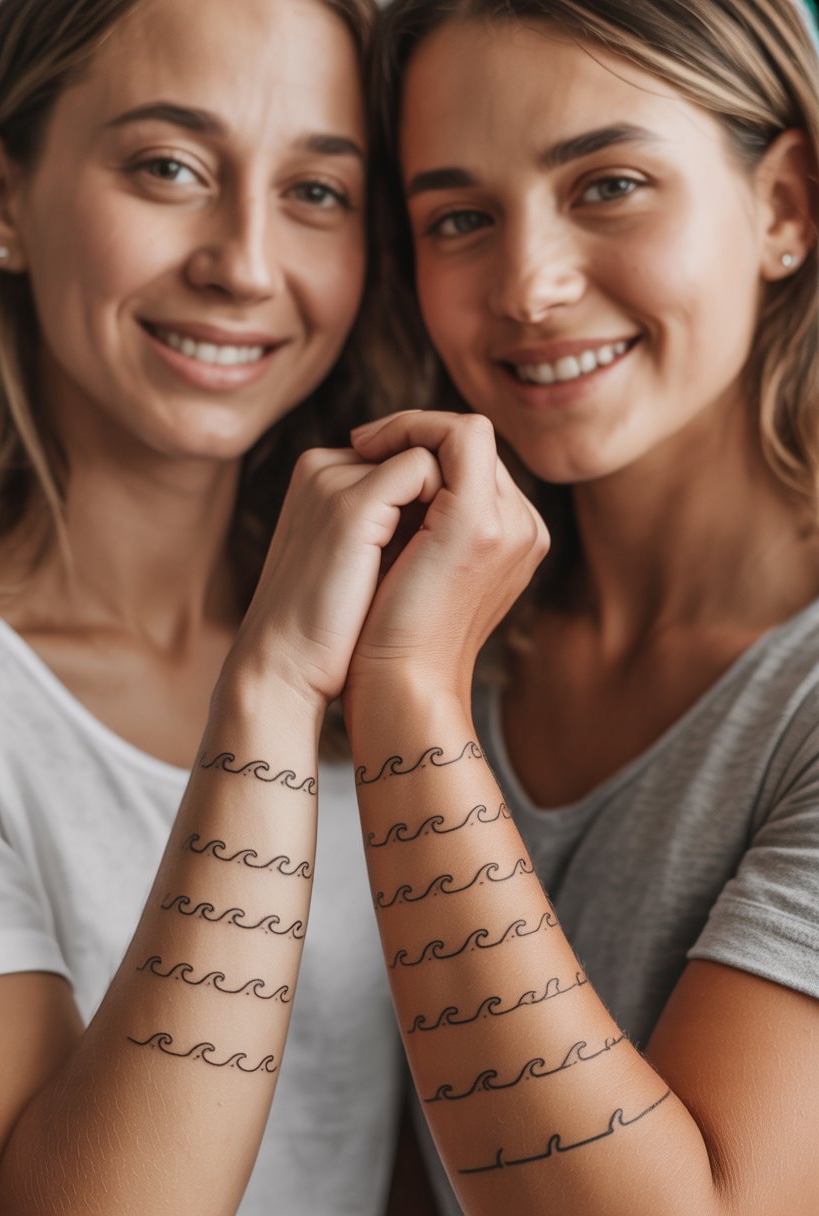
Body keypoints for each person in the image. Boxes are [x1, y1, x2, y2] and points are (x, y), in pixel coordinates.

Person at [339, 0, 819, 1212]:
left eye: (607, 184)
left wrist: (406, 695)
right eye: (459, 217)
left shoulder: (416, 667)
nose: (530, 287)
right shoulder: (458, 632)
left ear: (784, 205)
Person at [0, 0, 444, 1212]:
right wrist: (273, 686)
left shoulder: (422, 649)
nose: (242, 263)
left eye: (316, 192)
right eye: (168, 167)